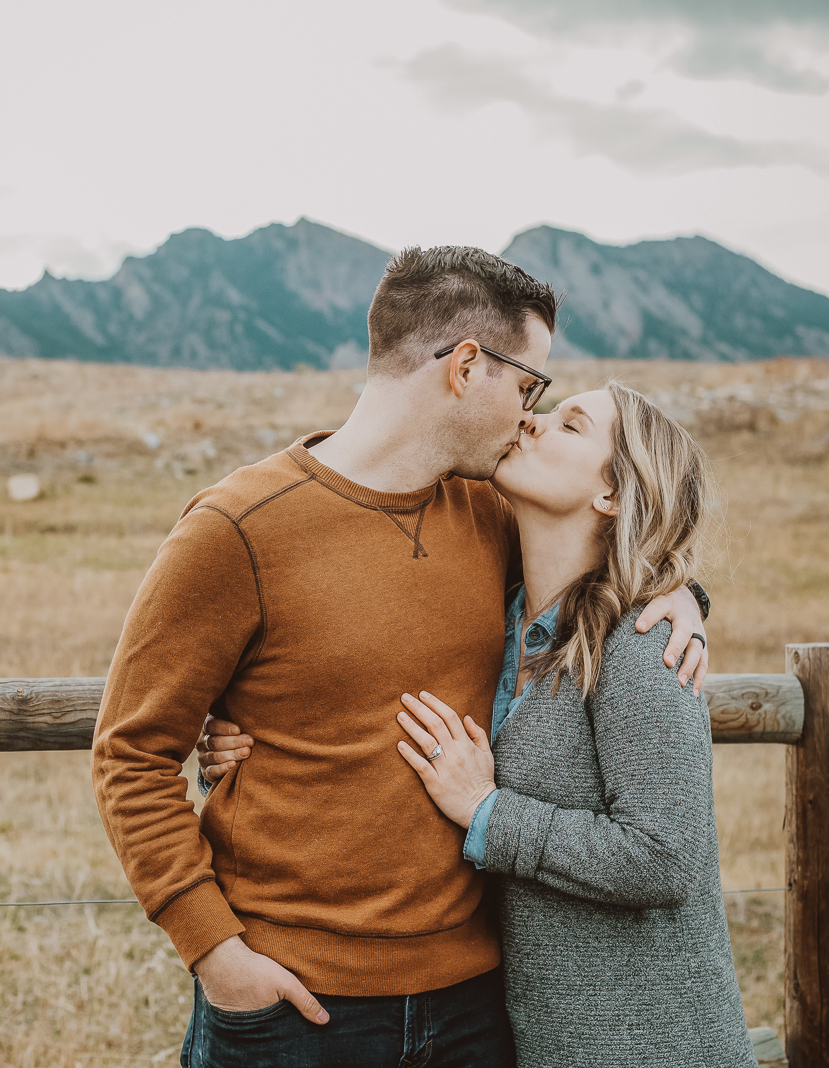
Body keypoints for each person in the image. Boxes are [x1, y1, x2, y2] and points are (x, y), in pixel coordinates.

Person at [89, 245, 709, 1068]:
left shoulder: (494, 516)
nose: (529, 415)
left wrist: (683, 598)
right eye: (529, 387)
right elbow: (130, 754)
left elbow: (605, 558)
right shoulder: (237, 529)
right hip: (293, 1006)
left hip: (476, 1007)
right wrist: (215, 955)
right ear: (464, 368)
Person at [200, 381, 751, 1067]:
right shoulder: (501, 618)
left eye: (570, 425)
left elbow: (665, 858)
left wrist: (488, 812)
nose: (532, 421)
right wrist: (248, 738)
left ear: (611, 493)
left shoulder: (644, 642)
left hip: (652, 1045)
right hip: (539, 1035)